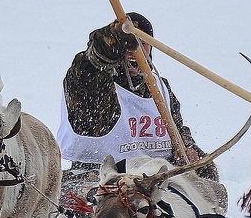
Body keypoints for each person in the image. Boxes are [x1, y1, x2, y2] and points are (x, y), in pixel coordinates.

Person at [57, 11, 217, 188]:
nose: (133, 50)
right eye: (128, 44)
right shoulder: (96, 83)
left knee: (208, 177)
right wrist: (106, 44)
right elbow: (89, 68)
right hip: (102, 175)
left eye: (142, 43)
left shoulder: (160, 88)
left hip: (153, 177)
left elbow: (177, 128)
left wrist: (187, 148)